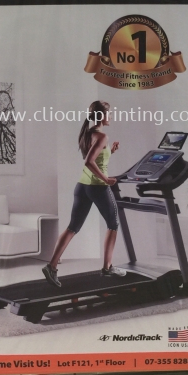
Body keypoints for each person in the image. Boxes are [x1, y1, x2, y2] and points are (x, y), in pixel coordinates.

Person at [42, 100, 126, 287]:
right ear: (102, 115)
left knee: (73, 227)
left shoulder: (87, 133)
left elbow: (95, 158)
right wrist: (106, 179)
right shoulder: (102, 136)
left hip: (82, 186)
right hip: (97, 187)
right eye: (109, 113)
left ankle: (52, 266)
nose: (111, 116)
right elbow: (89, 161)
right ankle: (107, 268)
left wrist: (111, 151)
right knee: (113, 223)